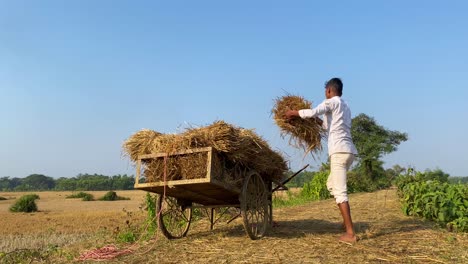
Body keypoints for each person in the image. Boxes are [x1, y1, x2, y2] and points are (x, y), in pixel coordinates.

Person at [285, 77, 358, 244]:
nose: (325, 94)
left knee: (340, 192)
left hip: (339, 151)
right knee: (331, 185)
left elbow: (312, 112)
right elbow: (325, 126)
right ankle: (345, 223)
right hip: (349, 152)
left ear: (329, 91)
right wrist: (311, 119)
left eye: (325, 92)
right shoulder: (345, 107)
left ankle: (350, 233)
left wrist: (293, 113)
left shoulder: (332, 102)